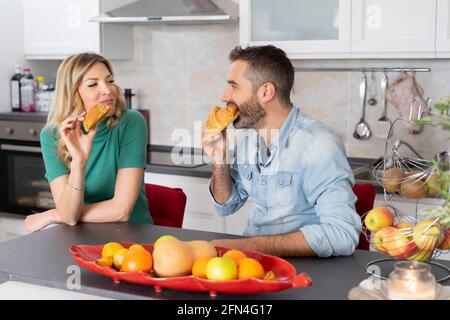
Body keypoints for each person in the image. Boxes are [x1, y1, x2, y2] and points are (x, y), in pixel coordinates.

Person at [202, 45, 361, 257]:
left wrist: (247, 247)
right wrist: (219, 161)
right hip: (252, 262)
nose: (224, 97)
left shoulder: (319, 143)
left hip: (301, 272)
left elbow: (343, 234)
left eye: (234, 87)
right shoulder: (250, 136)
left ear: (266, 92)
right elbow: (226, 206)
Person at [25, 53, 151, 232]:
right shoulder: (52, 135)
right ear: (72, 94)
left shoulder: (131, 122)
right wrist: (79, 162)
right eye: (93, 84)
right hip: (79, 236)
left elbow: (121, 211)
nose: (107, 89)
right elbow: (69, 217)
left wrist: (54, 214)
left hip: (132, 236)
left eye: (110, 81)